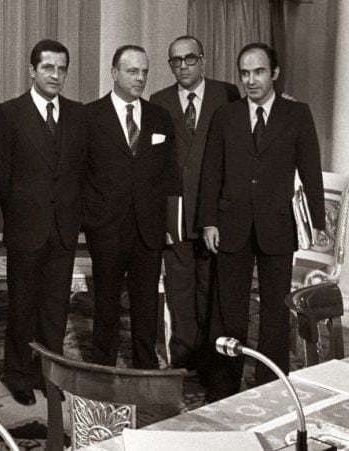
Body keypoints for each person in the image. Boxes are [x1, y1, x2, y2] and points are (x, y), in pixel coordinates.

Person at [197, 43, 325, 401]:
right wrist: (208, 221)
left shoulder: (297, 115)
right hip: (230, 225)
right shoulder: (227, 115)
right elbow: (211, 172)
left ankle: (269, 388)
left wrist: (315, 223)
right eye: (245, 73)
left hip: (278, 227)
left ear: (275, 73)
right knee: (229, 312)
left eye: (258, 72)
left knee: (274, 312)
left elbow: (310, 170)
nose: (251, 80)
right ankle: (224, 387)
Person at [0, 39, 86, 406]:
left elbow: (81, 172)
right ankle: (18, 375)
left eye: (62, 69)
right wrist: (19, 215)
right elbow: (1, 175)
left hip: (63, 230)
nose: (56, 75)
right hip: (25, 229)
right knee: (22, 307)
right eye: (48, 68)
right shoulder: (9, 113)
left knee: (55, 308)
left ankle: (49, 375)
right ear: (32, 70)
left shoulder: (78, 115)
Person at [150, 36, 241, 374]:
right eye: (176, 61)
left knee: (211, 289)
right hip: (174, 210)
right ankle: (185, 361)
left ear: (203, 60)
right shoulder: (158, 102)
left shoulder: (227, 94)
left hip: (214, 211)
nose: (183, 66)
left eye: (190, 59)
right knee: (179, 287)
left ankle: (212, 359)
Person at [83, 45, 177, 369]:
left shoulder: (159, 117)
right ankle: (102, 366)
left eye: (144, 72)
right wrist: (90, 220)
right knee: (106, 300)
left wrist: (167, 225)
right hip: (106, 226)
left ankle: (145, 366)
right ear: (114, 73)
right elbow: (80, 174)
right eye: (132, 71)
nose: (139, 78)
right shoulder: (90, 117)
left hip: (148, 227)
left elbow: (169, 175)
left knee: (145, 301)